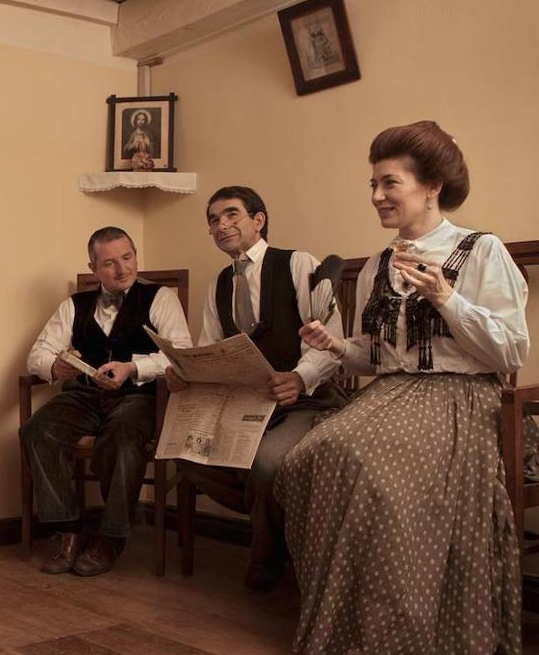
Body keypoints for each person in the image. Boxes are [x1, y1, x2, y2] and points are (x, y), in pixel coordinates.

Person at [276, 121, 526, 655]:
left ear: (431, 186)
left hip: (460, 397)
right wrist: (337, 346)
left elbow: (510, 349)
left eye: (390, 182)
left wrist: (446, 297)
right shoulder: (377, 265)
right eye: (373, 184)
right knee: (308, 458)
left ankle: (403, 634)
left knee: (370, 465)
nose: (377, 196)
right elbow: (376, 355)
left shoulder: (480, 250)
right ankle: (345, 625)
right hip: (392, 394)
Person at [165, 187, 346, 592]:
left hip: (306, 402)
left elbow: (331, 342)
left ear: (258, 220)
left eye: (231, 214)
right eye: (213, 220)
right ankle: (277, 527)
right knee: (187, 456)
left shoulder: (298, 264)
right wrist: (185, 373)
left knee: (267, 464)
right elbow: (210, 352)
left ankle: (265, 558)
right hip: (248, 404)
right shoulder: (219, 285)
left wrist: (300, 378)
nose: (221, 225)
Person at [21, 227, 192, 576]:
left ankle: (111, 537)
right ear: (94, 267)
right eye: (110, 263)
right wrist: (56, 366)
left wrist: (134, 367)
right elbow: (36, 355)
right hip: (83, 395)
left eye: (127, 258)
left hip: (138, 397)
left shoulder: (160, 298)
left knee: (124, 437)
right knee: (36, 431)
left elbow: (181, 355)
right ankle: (70, 529)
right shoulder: (74, 305)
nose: (122, 269)